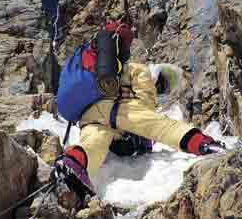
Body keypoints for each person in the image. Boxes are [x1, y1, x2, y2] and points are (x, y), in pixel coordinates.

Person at [51, 20, 223, 200]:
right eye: (162, 84)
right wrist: (143, 133)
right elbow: (145, 106)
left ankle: (74, 161)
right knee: (161, 125)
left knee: (94, 143)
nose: (161, 88)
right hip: (112, 107)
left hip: (87, 114)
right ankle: (201, 142)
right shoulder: (140, 70)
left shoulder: (96, 64)